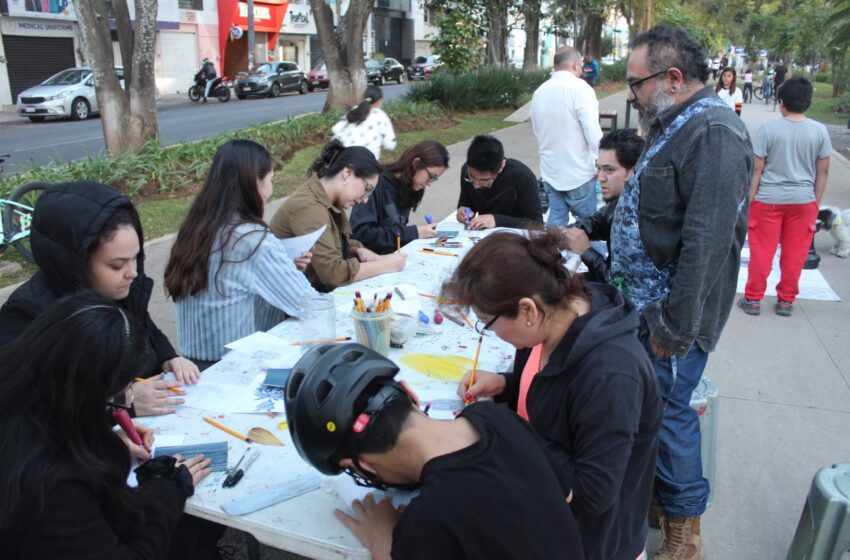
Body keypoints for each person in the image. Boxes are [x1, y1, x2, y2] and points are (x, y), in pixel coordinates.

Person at [441, 230, 661, 560]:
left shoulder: (611, 376)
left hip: (587, 543)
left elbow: (593, 494)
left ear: (527, 310)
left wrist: (505, 430)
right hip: (543, 513)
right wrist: (505, 384)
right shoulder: (553, 319)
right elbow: (553, 391)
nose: (491, 333)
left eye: (488, 323)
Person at [620, 26, 754, 560]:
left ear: (672, 78)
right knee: (652, 412)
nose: (631, 94)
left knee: (670, 415)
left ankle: (684, 532)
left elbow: (707, 242)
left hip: (672, 319)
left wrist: (673, 329)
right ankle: (662, 502)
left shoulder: (715, 132)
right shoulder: (672, 122)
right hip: (646, 307)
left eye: (636, 83)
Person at [284, 343, 586, 560]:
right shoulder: (495, 416)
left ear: (365, 465)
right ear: (410, 393)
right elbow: (566, 495)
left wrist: (383, 540)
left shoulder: (428, 520)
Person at [0, 291, 212, 559]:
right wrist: (166, 493)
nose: (120, 405)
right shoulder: (53, 485)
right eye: (118, 397)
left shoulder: (24, 397)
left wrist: (102, 437)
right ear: (89, 393)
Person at [0, 180, 198, 416]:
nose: (132, 272)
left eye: (136, 258)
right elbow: (27, 411)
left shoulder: (118, 289)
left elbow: (144, 327)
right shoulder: (27, 315)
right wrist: (120, 402)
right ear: (77, 262)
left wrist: (168, 357)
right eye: (117, 265)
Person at [164, 139, 319, 368]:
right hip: (234, 366)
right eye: (271, 180)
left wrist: (286, 270)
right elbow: (309, 305)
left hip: (191, 364)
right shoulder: (253, 239)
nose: (271, 190)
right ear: (256, 182)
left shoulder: (195, 227)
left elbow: (233, 284)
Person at [739, 77, 831, 317]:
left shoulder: (768, 130)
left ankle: (753, 299)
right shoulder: (820, 131)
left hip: (768, 199)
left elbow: (757, 169)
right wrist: (815, 202)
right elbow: (823, 171)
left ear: (781, 103)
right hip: (803, 200)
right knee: (795, 253)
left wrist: (750, 199)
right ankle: (786, 301)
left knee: (762, 251)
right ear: (808, 102)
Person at [271, 140, 406, 292]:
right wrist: (385, 265)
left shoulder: (330, 198)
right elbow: (332, 274)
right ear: (347, 173)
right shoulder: (309, 207)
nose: (365, 199)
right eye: (367, 189)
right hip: (292, 298)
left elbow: (334, 244)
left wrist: (356, 250)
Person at [531, 46, 602, 227]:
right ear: (576, 65)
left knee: (556, 223)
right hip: (579, 172)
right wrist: (600, 160)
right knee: (589, 227)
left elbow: (537, 130)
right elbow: (592, 131)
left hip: (550, 171)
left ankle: (551, 247)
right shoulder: (581, 89)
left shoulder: (539, 92)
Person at [564, 129, 645, 283]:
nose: (600, 177)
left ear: (632, 172)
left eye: (609, 170)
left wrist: (586, 251)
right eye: (599, 168)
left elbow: (621, 283)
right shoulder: (621, 203)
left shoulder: (639, 218)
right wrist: (562, 233)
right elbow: (596, 222)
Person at [350, 140, 449, 254]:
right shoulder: (376, 183)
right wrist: (413, 232)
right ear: (416, 163)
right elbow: (361, 234)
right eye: (431, 176)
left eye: (434, 179)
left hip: (396, 256)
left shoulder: (410, 186)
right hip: (372, 260)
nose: (429, 183)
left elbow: (396, 230)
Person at [455, 135, 542, 230]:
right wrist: (463, 212)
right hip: (482, 234)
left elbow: (537, 223)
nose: (476, 185)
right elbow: (466, 203)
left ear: (501, 166)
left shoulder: (523, 177)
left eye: (485, 180)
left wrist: (496, 220)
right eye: (472, 177)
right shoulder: (466, 170)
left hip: (515, 235)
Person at [331, 85, 397, 160]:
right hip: (366, 159)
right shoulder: (380, 115)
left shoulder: (355, 110)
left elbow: (335, 129)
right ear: (380, 100)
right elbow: (390, 144)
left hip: (344, 157)